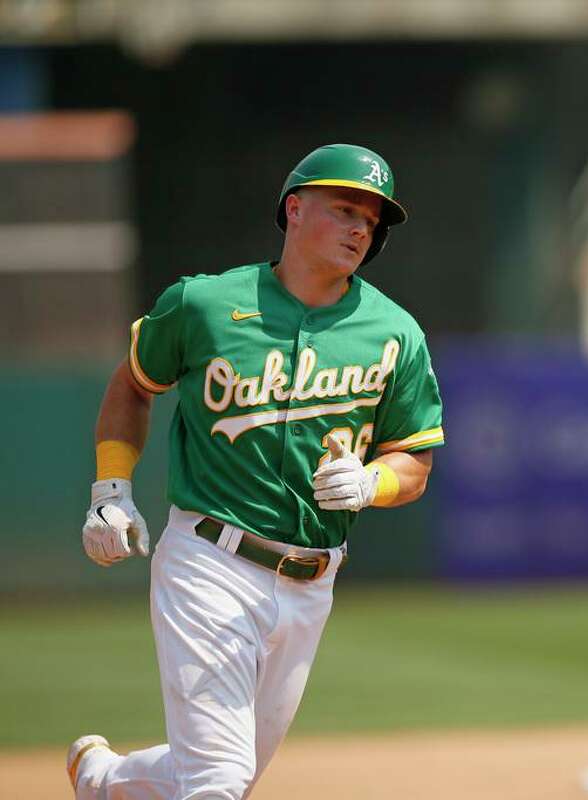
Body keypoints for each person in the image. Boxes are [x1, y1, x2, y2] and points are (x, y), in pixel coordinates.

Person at [67, 143, 445, 799]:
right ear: (294, 210)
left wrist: (371, 482)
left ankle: (103, 781)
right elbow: (134, 384)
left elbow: (414, 460)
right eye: (346, 208)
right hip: (209, 559)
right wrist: (110, 491)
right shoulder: (204, 304)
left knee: (219, 778)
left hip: (312, 580)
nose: (362, 227)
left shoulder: (396, 333)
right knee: (216, 779)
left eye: (373, 218)